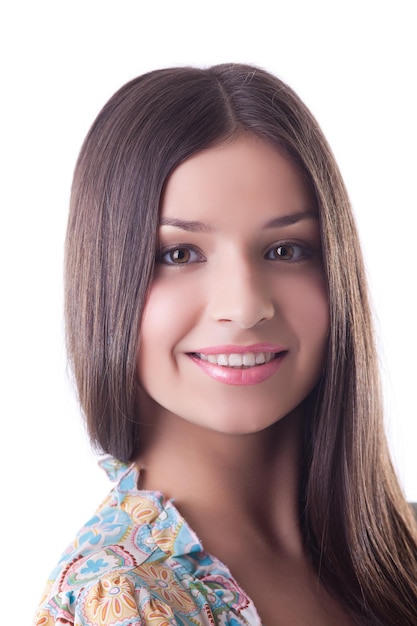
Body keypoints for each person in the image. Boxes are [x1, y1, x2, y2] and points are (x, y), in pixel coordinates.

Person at [33, 63, 417, 626]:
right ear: (105, 282)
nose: (244, 305)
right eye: (180, 254)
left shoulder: (403, 547)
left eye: (285, 250)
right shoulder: (119, 600)